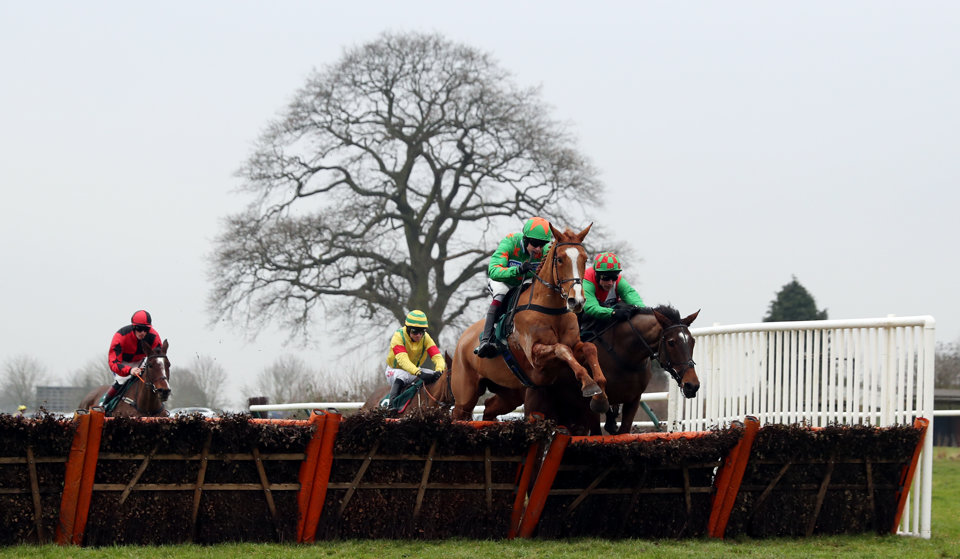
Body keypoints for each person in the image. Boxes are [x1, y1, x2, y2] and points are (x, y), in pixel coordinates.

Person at [474, 217, 552, 358]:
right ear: (525, 239)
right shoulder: (510, 242)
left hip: (525, 282)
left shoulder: (546, 251)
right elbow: (494, 271)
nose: (538, 249)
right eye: (535, 244)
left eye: (542, 245)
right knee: (501, 294)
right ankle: (486, 340)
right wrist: (518, 270)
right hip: (503, 281)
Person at [98, 310, 163, 407]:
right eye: (139, 329)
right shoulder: (120, 336)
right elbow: (113, 362)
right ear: (133, 327)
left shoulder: (154, 336)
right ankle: (104, 404)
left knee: (152, 379)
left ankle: (161, 406)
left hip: (141, 361)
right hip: (122, 363)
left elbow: (158, 358)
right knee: (122, 380)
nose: (143, 333)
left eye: (146, 329)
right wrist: (129, 370)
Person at [384, 310, 447, 404]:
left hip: (414, 370)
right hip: (395, 370)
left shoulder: (426, 337)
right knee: (403, 375)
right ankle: (392, 404)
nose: (419, 335)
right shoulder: (398, 336)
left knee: (433, 374)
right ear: (408, 329)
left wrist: (439, 370)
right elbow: (403, 360)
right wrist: (418, 372)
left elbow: (437, 356)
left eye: (422, 332)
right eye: (415, 332)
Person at [582, 252, 645, 321]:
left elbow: (631, 295)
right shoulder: (586, 281)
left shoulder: (619, 281)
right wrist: (613, 313)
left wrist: (644, 310)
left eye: (614, 277)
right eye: (606, 278)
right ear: (596, 274)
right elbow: (591, 308)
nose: (610, 283)